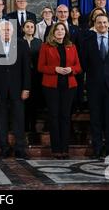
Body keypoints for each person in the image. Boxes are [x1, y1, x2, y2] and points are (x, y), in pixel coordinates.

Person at [0, 20, 31, 159]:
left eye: (8, 30)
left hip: (18, 90)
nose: (6, 32)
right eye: (3, 30)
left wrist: (26, 88)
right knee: (1, 120)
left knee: (19, 119)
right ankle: (4, 148)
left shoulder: (22, 45)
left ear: (13, 31)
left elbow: (26, 69)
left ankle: (19, 148)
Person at [81, 14, 109, 159]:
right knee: (96, 118)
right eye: (99, 23)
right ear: (95, 24)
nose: (103, 25)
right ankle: (97, 148)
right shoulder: (88, 41)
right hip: (94, 85)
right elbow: (84, 63)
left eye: (105, 22)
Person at [38, 22, 81, 159]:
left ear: (65, 32)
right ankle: (56, 149)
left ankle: (65, 149)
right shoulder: (46, 46)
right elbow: (41, 67)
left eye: (63, 29)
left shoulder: (72, 46)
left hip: (69, 86)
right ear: (53, 32)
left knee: (65, 117)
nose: (60, 32)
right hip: (51, 86)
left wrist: (71, 70)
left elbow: (78, 66)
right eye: (57, 30)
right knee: (54, 116)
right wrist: (54, 69)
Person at [22, 19, 42, 132]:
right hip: (22, 76)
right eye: (27, 26)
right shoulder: (18, 41)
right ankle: (24, 127)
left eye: (32, 27)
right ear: (23, 28)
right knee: (24, 102)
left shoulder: (39, 42)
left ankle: (33, 127)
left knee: (34, 102)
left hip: (36, 76)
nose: (30, 29)